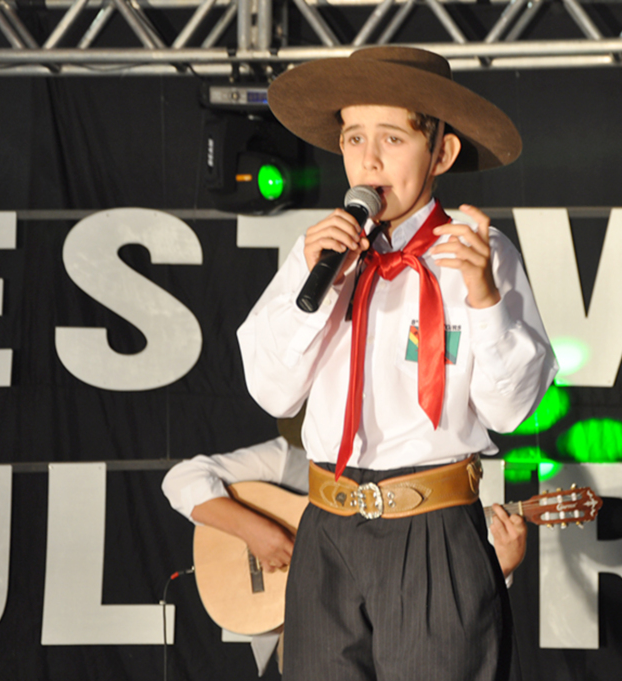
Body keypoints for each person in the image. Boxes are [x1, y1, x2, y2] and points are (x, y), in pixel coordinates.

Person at [236, 46, 557, 681]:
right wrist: (314, 286)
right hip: (327, 526)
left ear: (442, 152)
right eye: (354, 136)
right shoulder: (319, 252)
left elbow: (512, 411)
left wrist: (486, 300)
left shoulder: (479, 254)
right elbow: (273, 394)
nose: (369, 159)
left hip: (432, 529)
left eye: (392, 137)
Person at [161, 416, 529, 677]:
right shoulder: (289, 457)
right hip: (320, 624)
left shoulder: (421, 460)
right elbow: (180, 481)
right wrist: (259, 533)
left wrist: (499, 568)